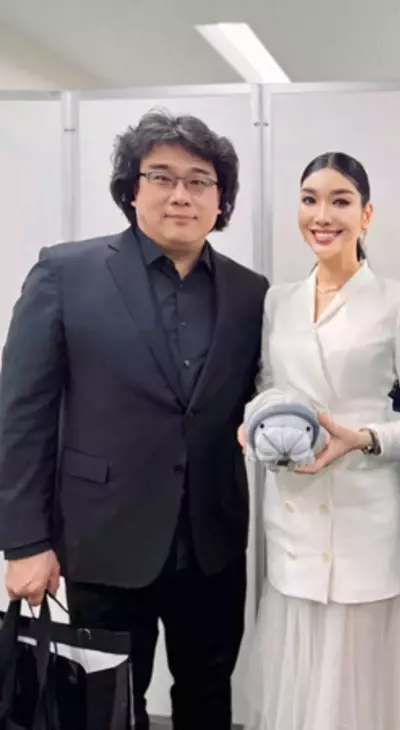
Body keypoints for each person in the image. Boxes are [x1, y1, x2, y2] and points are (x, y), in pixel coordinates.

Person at [0, 110, 268, 730]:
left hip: (212, 542)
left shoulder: (251, 292)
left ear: (221, 199)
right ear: (132, 189)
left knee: (209, 698)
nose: (181, 195)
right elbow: (23, 414)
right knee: (107, 711)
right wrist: (26, 542)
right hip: (103, 541)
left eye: (199, 181)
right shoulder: (66, 273)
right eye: (162, 177)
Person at [241, 152, 400, 730]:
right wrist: (254, 421)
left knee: (359, 691)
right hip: (294, 513)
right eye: (310, 200)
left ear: (366, 214)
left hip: (364, 520)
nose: (322, 215)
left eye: (340, 201)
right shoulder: (279, 301)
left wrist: (365, 438)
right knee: (299, 688)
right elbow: (267, 386)